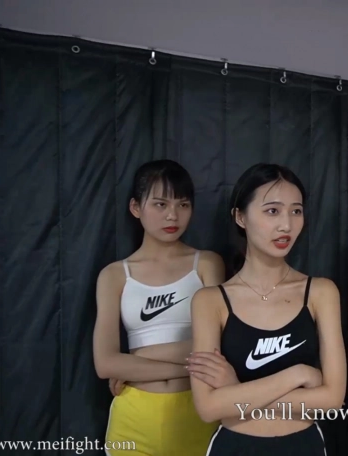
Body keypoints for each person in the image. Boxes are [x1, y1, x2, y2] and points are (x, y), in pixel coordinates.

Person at [187, 163, 346, 456]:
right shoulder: (210, 301)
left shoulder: (321, 292)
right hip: (235, 447)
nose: (286, 225)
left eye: (296, 211)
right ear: (240, 217)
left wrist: (236, 391)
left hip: (303, 446)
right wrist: (298, 375)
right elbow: (208, 407)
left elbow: (332, 399)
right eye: (272, 211)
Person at [93, 159, 225, 455]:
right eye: (160, 204)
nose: (172, 215)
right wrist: (191, 363)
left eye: (183, 204)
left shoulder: (206, 264)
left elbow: (216, 347)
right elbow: (105, 363)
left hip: (198, 412)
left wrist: (137, 358)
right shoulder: (114, 275)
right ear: (135, 207)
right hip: (134, 418)